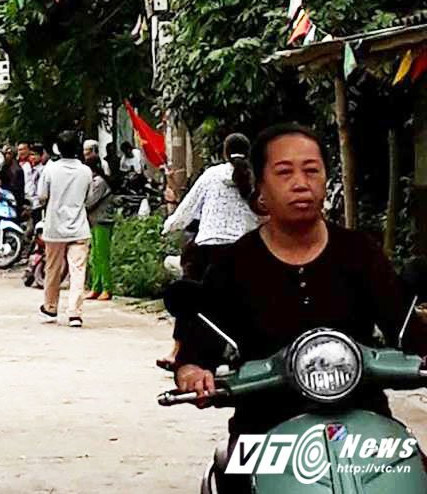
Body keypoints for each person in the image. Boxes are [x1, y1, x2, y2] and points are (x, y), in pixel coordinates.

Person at [173, 124, 427, 494]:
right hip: (263, 429)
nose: (300, 182)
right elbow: (200, 345)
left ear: (326, 179)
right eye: (284, 172)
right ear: (259, 187)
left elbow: (403, 326)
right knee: (229, 476)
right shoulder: (233, 265)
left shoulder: (360, 252)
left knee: (412, 472)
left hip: (366, 426)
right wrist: (193, 371)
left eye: (311, 170)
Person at [156, 133, 262, 371]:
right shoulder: (257, 178)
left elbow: (187, 209)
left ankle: (177, 352)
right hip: (243, 251)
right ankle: (242, 357)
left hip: (207, 250)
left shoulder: (211, 175)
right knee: (243, 304)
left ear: (224, 152)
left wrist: (168, 226)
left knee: (189, 300)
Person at [37, 130, 95, 328]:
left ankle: (50, 307)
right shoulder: (86, 171)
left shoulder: (50, 170)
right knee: (78, 271)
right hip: (79, 227)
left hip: (54, 228)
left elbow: (42, 196)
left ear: (58, 149)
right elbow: (88, 198)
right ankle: (75, 313)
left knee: (52, 268)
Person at [84, 157, 114, 302]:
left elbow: (90, 202)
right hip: (94, 222)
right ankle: (96, 287)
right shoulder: (93, 182)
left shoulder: (99, 182)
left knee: (102, 256)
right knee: (94, 256)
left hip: (102, 221)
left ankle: (107, 288)